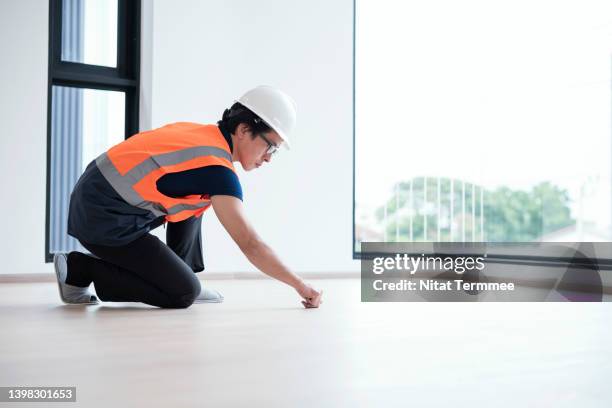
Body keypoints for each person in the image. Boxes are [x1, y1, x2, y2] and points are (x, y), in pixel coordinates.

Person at [52, 85, 323, 309]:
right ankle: (79, 270)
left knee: (198, 200)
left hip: (96, 202)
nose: (268, 157)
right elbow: (250, 243)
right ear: (243, 130)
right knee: (181, 294)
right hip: (104, 218)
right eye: (270, 146)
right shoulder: (217, 170)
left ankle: (184, 275)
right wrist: (300, 284)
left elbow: (185, 207)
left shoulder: (203, 137)